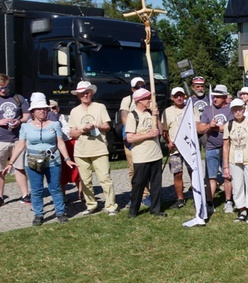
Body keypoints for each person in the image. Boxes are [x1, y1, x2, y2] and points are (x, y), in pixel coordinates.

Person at [2, 94, 76, 225]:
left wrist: (67, 158)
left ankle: (60, 212)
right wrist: (11, 163)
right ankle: (38, 214)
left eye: (44, 108)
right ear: (32, 112)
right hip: (32, 161)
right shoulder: (25, 126)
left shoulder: (54, 124)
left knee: (56, 187)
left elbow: (60, 143)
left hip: (53, 160)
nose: (42, 111)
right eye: (39, 109)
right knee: (36, 189)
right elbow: (21, 145)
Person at [68, 81, 117, 216]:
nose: (85, 94)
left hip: (99, 149)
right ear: (78, 95)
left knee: (105, 178)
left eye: (87, 92)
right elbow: (71, 133)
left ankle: (111, 206)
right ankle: (91, 205)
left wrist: (96, 126)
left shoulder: (100, 107)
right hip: (81, 151)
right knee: (85, 181)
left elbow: (107, 126)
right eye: (82, 93)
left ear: (92, 93)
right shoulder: (74, 111)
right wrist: (83, 129)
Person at [125, 88, 166, 217]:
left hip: (156, 154)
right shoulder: (133, 116)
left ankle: (156, 208)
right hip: (141, 157)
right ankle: (133, 210)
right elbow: (130, 138)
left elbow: (159, 131)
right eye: (147, 98)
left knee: (156, 184)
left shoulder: (150, 113)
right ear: (139, 100)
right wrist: (148, 135)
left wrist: (157, 116)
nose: (150, 100)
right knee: (139, 184)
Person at [223, 98, 248, 224]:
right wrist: (225, 166)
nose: (237, 112)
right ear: (231, 111)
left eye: (240, 109)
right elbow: (226, 145)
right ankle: (242, 210)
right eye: (235, 110)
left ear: (244, 109)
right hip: (234, 160)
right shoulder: (228, 125)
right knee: (237, 186)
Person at [197, 84, 233, 213]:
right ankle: (209, 202)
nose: (215, 99)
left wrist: (216, 127)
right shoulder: (208, 109)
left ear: (224, 97)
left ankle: (229, 201)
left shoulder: (230, 109)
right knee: (210, 177)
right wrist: (208, 126)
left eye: (218, 97)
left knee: (227, 175)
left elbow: (231, 127)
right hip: (211, 146)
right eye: (213, 96)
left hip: (227, 146)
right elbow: (200, 128)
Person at [0, 73, 30, 205]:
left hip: (17, 139)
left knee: (20, 167)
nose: (3, 90)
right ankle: (0, 197)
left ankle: (25, 195)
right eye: (0, 88)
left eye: (5, 87)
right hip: (1, 140)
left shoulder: (18, 98)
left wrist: (18, 121)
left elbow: (27, 116)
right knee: (1, 170)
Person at [161, 87, 189, 208]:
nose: (179, 98)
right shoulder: (167, 112)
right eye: (176, 96)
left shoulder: (190, 109)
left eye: (181, 95)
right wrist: (169, 142)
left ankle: (197, 194)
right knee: (177, 173)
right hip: (175, 148)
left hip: (189, 147)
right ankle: (180, 198)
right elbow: (164, 131)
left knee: (194, 171)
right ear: (172, 98)